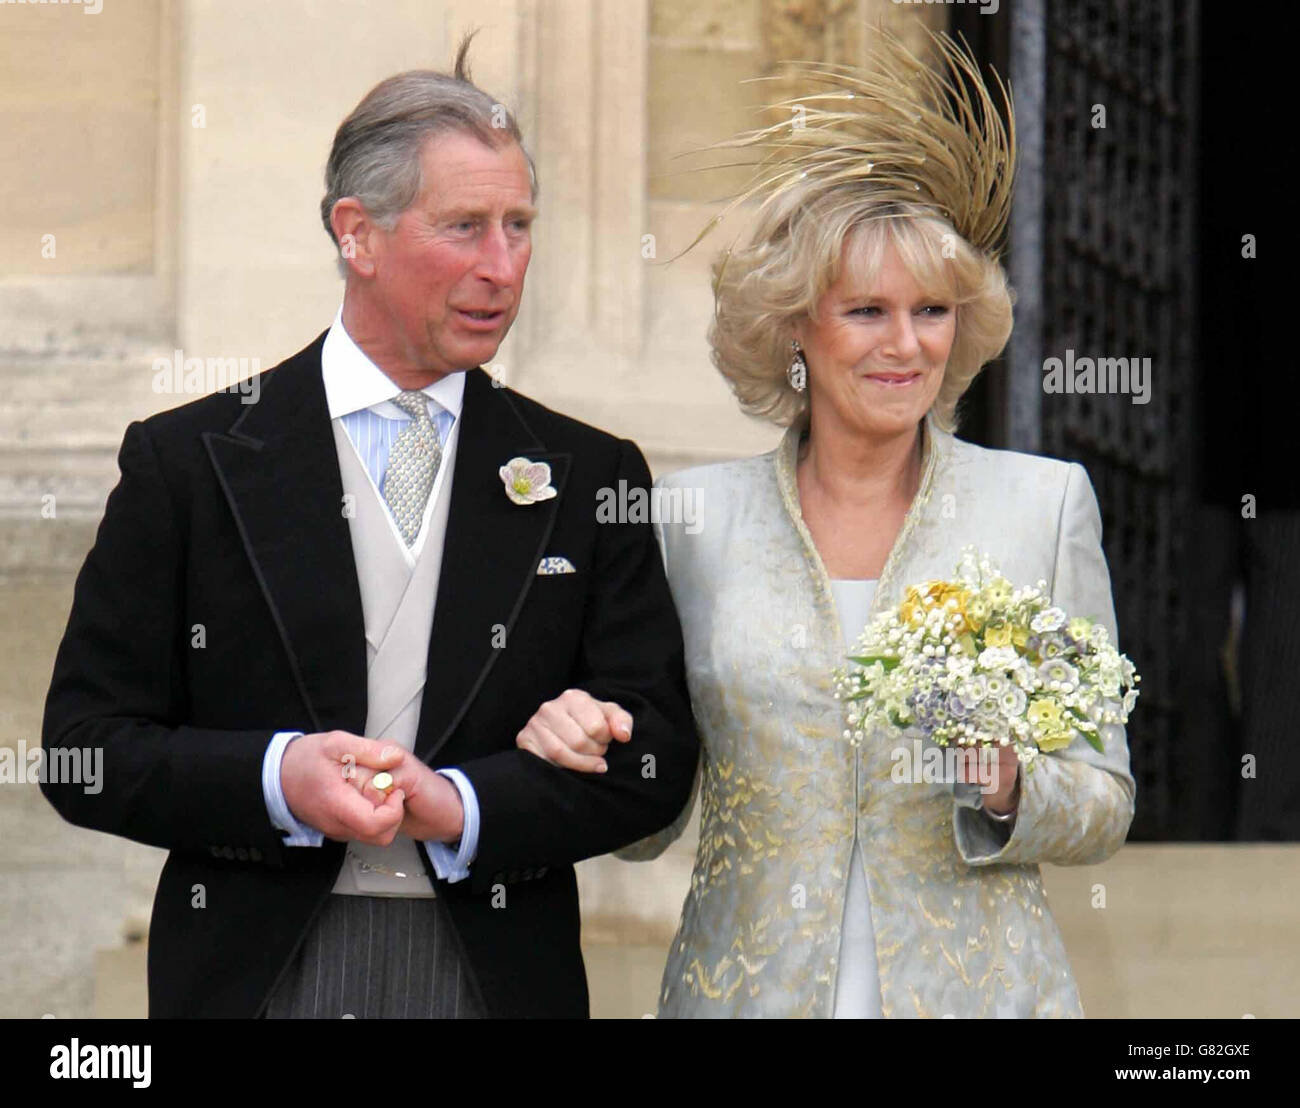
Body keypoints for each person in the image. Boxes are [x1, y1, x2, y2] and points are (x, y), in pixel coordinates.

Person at [39, 36, 698, 1019]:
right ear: (358, 232)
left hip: (493, 978)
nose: (503, 266)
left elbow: (655, 764)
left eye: (520, 226)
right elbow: (84, 750)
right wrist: (276, 777)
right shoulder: (189, 460)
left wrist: (466, 806)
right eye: (465, 226)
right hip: (256, 979)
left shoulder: (592, 473)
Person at [522, 29, 1135, 1017]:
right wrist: (587, 743)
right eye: (866, 312)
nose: (906, 346)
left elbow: (1104, 797)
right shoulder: (687, 520)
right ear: (794, 326)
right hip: (740, 992)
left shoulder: (1040, 504)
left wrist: (1012, 781)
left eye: (932, 311)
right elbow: (647, 816)